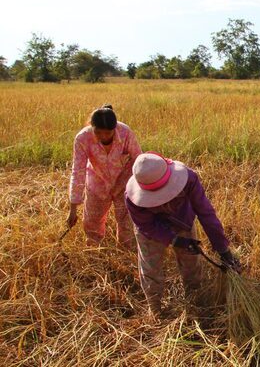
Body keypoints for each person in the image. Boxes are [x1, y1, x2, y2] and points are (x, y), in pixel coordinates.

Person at [125, 152, 241, 316]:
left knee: (191, 264)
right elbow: (145, 225)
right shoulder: (132, 199)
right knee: (150, 268)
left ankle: (195, 302)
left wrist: (223, 250)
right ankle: (155, 309)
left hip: (182, 222)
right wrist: (173, 240)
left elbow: (205, 213)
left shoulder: (189, 180)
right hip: (151, 231)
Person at [68, 105, 141, 249]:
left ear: (115, 128)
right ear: (91, 127)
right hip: (97, 182)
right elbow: (78, 171)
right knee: (92, 222)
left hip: (124, 183)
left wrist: (141, 190)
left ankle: (127, 254)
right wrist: (73, 208)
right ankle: (94, 252)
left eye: (108, 133)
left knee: (127, 222)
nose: (103, 136)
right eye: (98, 132)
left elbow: (139, 159)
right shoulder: (83, 138)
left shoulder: (125, 133)